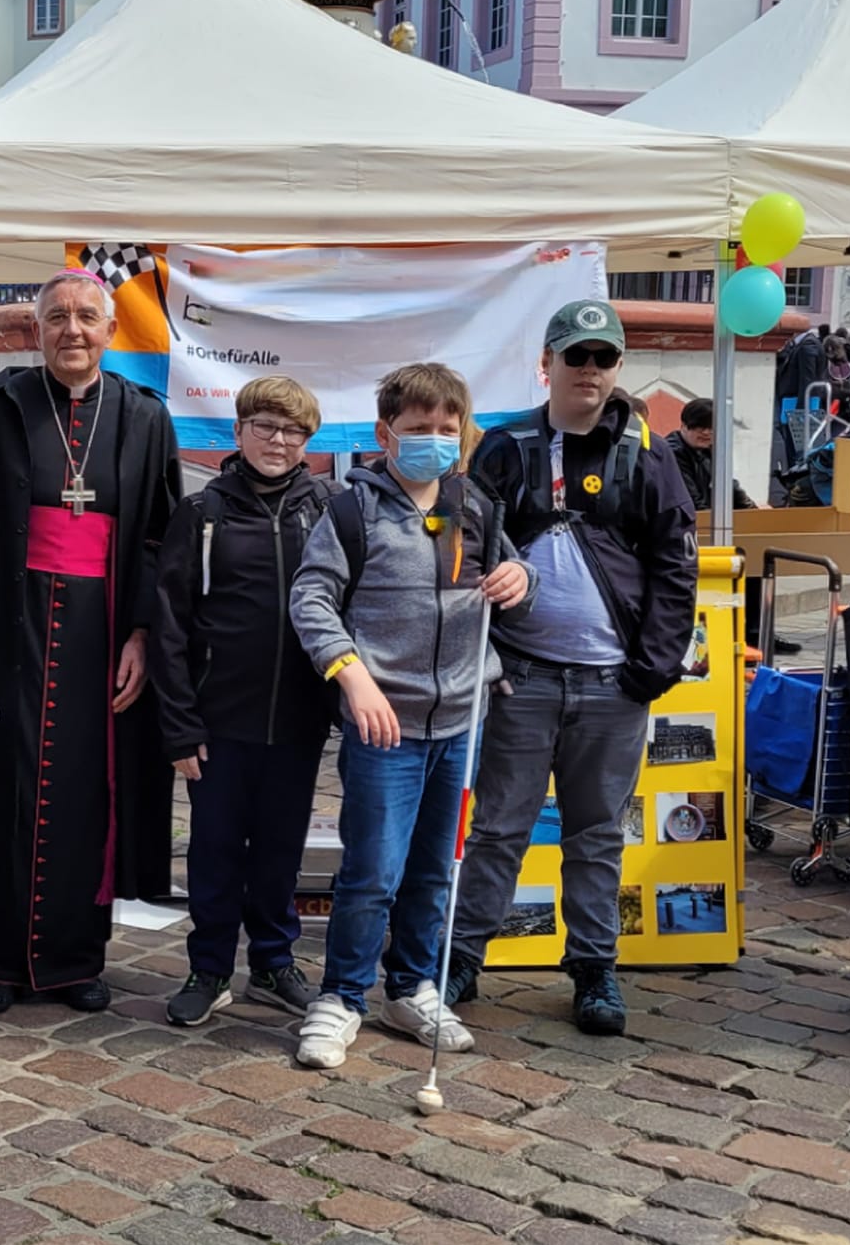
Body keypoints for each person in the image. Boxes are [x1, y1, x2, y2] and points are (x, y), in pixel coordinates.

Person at [0, 270, 180, 1016]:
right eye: (56, 317)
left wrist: (142, 630)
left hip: (101, 628)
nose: (72, 331)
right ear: (35, 329)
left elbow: (160, 535)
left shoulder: (145, 417)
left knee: (85, 790)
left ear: (111, 331)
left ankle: (72, 959)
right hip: (3, 620)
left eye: (87, 318)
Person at [447, 302, 696, 1033]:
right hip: (523, 676)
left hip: (611, 683)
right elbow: (467, 534)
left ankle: (593, 969)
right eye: (576, 355)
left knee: (596, 836)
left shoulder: (649, 452)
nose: (589, 370)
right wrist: (503, 574)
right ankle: (463, 955)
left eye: (603, 358)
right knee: (497, 828)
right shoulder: (507, 445)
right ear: (547, 363)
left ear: (617, 368)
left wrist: (649, 671)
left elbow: (675, 569)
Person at [288, 362, 533, 1068]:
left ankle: (413, 986)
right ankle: (341, 996)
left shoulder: (475, 505)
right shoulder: (351, 511)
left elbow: (516, 577)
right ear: (384, 434)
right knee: (373, 870)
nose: (432, 440)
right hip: (384, 728)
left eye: (445, 430)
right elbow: (312, 600)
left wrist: (524, 577)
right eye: (417, 429)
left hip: (461, 722)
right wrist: (352, 676)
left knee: (435, 867)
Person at [151, 378, 334, 1027]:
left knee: (281, 849)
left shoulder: (328, 509)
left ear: (309, 442)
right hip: (217, 719)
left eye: (293, 431)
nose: (279, 441)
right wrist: (178, 724)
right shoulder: (203, 513)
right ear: (239, 432)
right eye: (266, 426)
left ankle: (275, 963)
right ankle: (209, 967)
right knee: (216, 849)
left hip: (299, 718)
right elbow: (169, 625)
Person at [667, 396, 757, 512]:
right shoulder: (672, 453)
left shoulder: (712, 449)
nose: (706, 433)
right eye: (699, 427)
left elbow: (728, 486)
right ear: (684, 426)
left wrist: (754, 511)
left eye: (711, 428)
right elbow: (690, 499)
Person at [772, 322, 826, 505]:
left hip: (798, 403)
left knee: (797, 448)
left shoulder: (807, 346)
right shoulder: (803, 345)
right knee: (796, 446)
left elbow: (808, 379)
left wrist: (802, 409)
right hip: (795, 401)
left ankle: (798, 489)